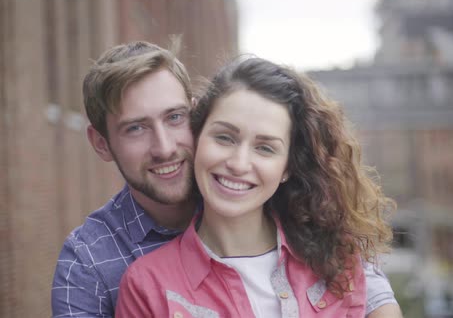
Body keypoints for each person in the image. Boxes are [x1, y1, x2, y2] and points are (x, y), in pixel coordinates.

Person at [51, 41, 402, 318]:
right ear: (101, 143)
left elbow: (366, 288)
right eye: (135, 128)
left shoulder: (288, 209)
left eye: (175, 117)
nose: (164, 147)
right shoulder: (92, 263)